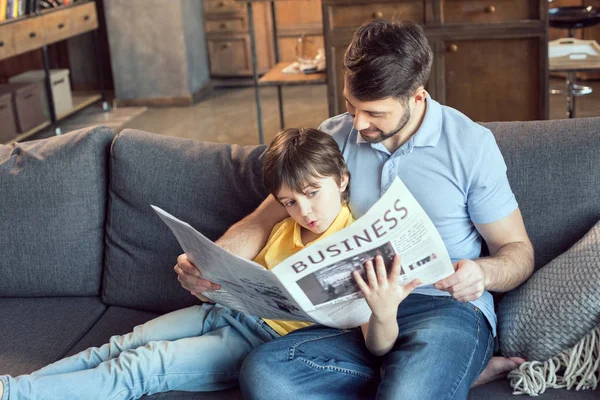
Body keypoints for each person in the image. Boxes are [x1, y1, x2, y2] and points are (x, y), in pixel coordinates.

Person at [175, 19, 534, 400]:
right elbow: (264, 218)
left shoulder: (471, 147)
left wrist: (481, 273)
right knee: (265, 374)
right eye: (351, 105)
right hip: (352, 315)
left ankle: (427, 375)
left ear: (417, 96)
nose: (358, 123)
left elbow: (518, 253)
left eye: (374, 113)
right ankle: (444, 376)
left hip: (442, 310)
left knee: (407, 396)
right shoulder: (335, 135)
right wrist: (211, 265)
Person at [0, 128, 418, 400]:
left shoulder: (359, 244)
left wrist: (384, 312)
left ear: (341, 180)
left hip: (260, 342)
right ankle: (12, 388)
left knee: (143, 366)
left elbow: (378, 345)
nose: (304, 210)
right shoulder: (285, 220)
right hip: (222, 312)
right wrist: (207, 275)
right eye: (290, 201)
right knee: (123, 343)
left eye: (312, 193)